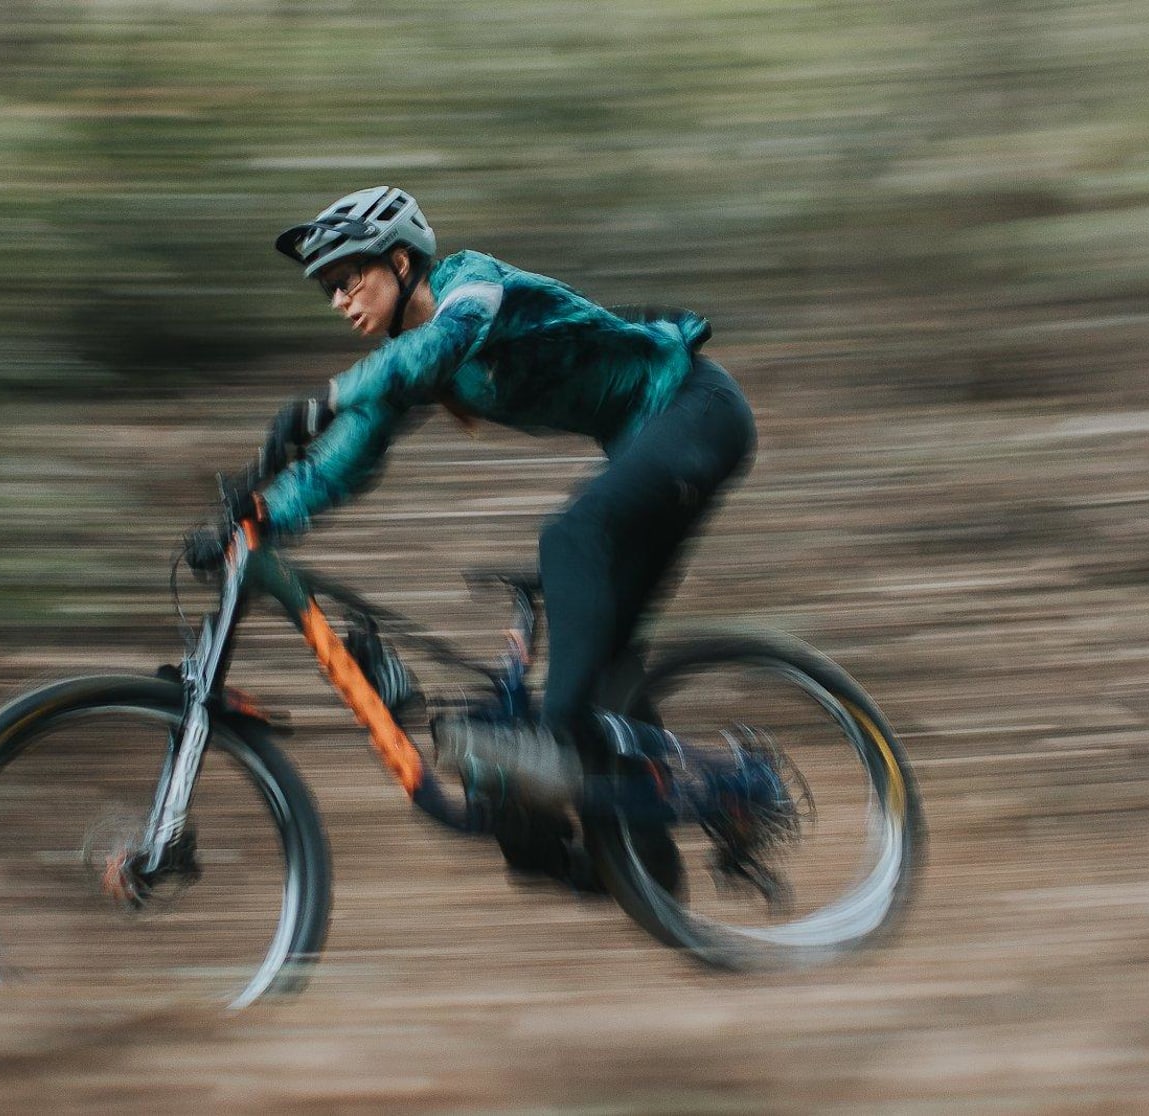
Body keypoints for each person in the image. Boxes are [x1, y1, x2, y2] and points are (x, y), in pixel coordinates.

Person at [186, 185, 763, 887]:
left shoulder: (472, 285)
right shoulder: (411, 367)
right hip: (652, 448)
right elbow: (341, 462)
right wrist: (256, 518)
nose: (340, 301)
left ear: (401, 261)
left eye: (349, 279)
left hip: (696, 409)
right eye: (329, 290)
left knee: (571, 541)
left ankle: (559, 747)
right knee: (592, 697)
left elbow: (443, 341)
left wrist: (327, 397)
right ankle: (646, 866)